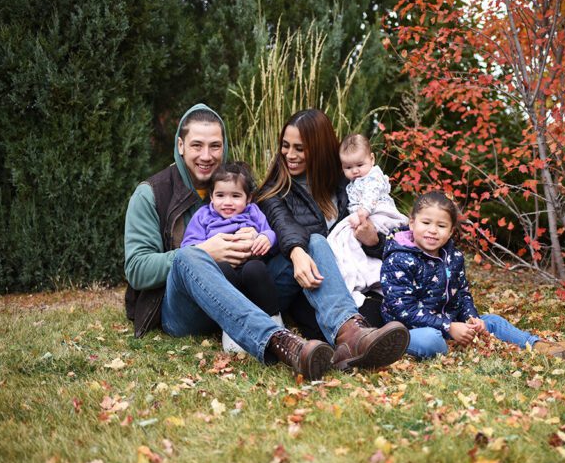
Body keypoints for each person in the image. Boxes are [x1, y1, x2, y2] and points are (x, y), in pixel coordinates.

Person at [124, 103, 334, 380]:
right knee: (190, 257)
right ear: (180, 145)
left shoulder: (238, 186)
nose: (207, 156)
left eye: (215, 146)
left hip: (244, 289)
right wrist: (204, 252)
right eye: (197, 145)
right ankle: (279, 341)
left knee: (312, 243)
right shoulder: (151, 193)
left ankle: (347, 332)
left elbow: (275, 227)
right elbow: (137, 270)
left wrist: (266, 241)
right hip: (186, 310)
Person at [257, 109, 410, 372]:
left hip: (327, 285)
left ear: (319, 149)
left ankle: (347, 345)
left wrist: (373, 241)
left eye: (299, 149)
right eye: (285, 146)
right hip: (287, 277)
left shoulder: (347, 182)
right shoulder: (274, 191)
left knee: (372, 313)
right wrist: (297, 251)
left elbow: (381, 237)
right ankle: (350, 333)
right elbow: (287, 227)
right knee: (317, 242)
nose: (289, 155)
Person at [380, 191, 565, 359]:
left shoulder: (453, 257)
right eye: (426, 223)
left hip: (451, 323)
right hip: (409, 328)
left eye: (441, 226)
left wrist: (470, 318)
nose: (433, 230)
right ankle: (434, 345)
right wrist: (448, 327)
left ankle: (540, 346)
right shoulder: (399, 258)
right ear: (412, 223)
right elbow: (403, 309)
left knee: (492, 322)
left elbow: (461, 293)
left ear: (451, 231)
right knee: (431, 341)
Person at [181, 161, 282, 353]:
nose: (227, 202)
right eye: (220, 195)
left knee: (256, 269)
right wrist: (207, 249)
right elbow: (189, 248)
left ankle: (274, 320)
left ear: (248, 198)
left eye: (235, 196)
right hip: (223, 276)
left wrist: (265, 238)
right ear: (211, 196)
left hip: (250, 267)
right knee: (223, 271)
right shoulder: (204, 216)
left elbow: (270, 232)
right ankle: (232, 328)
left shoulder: (252, 212)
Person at [327, 134, 408, 305]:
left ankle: (359, 276)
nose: (355, 171)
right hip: (366, 218)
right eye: (348, 167)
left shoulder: (373, 176)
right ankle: (363, 274)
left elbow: (371, 194)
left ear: (372, 159)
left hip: (380, 215)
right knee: (346, 240)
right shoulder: (354, 182)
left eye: (359, 165)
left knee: (343, 237)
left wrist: (362, 212)